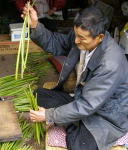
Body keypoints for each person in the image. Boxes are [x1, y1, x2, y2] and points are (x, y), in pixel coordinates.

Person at [22, 5, 128, 150]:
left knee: (78, 144)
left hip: (105, 114)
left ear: (100, 37)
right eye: (75, 35)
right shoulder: (81, 37)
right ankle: (71, 120)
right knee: (38, 96)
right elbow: (56, 43)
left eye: (81, 38)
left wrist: (49, 116)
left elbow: (88, 105)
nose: (76, 41)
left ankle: (73, 123)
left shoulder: (110, 63)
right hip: (80, 98)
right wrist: (35, 25)